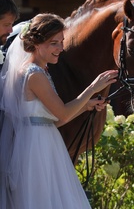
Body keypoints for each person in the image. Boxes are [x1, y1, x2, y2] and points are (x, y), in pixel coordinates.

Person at [0, 13, 118, 209]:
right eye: (54, 43)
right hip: (36, 149)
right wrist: (92, 88)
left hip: (45, 142)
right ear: (37, 43)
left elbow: (54, 120)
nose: (61, 49)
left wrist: (87, 106)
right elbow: (62, 113)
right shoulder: (33, 74)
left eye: (62, 42)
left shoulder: (40, 70)